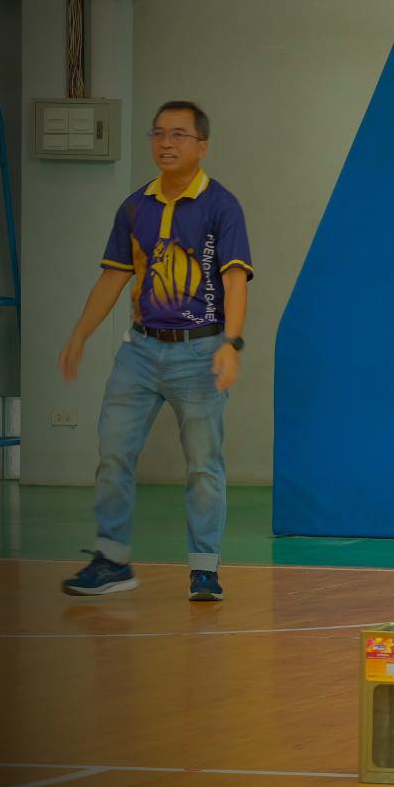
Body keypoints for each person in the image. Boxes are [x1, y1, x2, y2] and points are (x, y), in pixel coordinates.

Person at [58, 101, 253, 602]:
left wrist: (231, 343)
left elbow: (235, 280)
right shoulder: (134, 207)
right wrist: (80, 333)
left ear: (202, 146)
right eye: (159, 133)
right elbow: (113, 277)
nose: (166, 143)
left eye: (179, 135)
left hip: (200, 350)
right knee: (113, 454)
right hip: (140, 352)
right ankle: (111, 561)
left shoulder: (221, 206)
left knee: (204, 465)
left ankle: (204, 570)